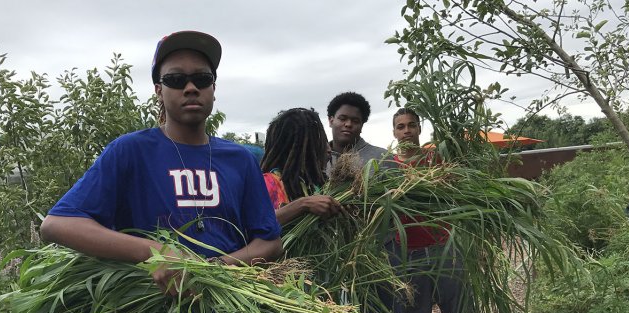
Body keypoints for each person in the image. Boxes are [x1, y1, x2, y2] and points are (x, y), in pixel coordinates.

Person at [40, 30, 283, 295]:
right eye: (176, 79)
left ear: (214, 89)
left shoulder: (240, 159)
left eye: (202, 78)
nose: (191, 88)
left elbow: (270, 242)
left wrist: (213, 269)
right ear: (159, 90)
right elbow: (57, 224)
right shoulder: (131, 151)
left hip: (231, 304)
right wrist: (158, 252)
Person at [389, 107, 470, 313]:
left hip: (443, 248)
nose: (407, 131)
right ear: (394, 132)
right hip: (407, 254)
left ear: (420, 129)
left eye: (411, 125)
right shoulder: (389, 167)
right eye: (401, 127)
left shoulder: (436, 159)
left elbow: (456, 192)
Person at [260, 107, 345, 225]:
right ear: (297, 147)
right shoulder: (267, 183)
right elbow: (256, 224)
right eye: (318, 142)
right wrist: (303, 204)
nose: (328, 149)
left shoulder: (319, 184)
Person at [325, 91, 390, 173]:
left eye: (355, 121)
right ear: (331, 121)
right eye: (342, 119)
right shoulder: (315, 160)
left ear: (362, 125)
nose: (348, 124)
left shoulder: (383, 158)